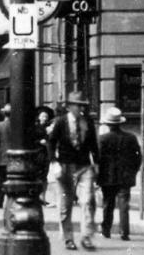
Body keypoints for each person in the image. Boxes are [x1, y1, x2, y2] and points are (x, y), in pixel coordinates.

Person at [48, 91, 99, 252]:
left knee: (87, 201)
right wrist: (54, 162)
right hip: (65, 166)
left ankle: (86, 237)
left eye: (82, 106)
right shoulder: (61, 122)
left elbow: (93, 144)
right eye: (77, 105)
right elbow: (51, 142)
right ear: (69, 106)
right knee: (65, 204)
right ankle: (68, 238)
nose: (80, 108)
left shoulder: (88, 122)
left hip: (84, 166)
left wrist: (96, 163)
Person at [97, 106, 141, 241]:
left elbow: (98, 159)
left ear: (108, 124)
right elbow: (138, 157)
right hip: (125, 176)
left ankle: (106, 230)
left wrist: (98, 175)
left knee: (108, 204)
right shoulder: (131, 138)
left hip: (107, 176)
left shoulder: (102, 139)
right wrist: (133, 170)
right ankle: (124, 232)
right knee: (124, 205)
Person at [34, 105, 55, 205]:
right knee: (38, 175)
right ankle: (37, 197)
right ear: (39, 117)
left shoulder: (49, 127)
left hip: (46, 153)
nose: (44, 118)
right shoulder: (35, 127)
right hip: (38, 153)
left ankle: (43, 197)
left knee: (44, 176)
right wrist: (39, 141)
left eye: (46, 116)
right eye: (43, 116)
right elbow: (31, 140)